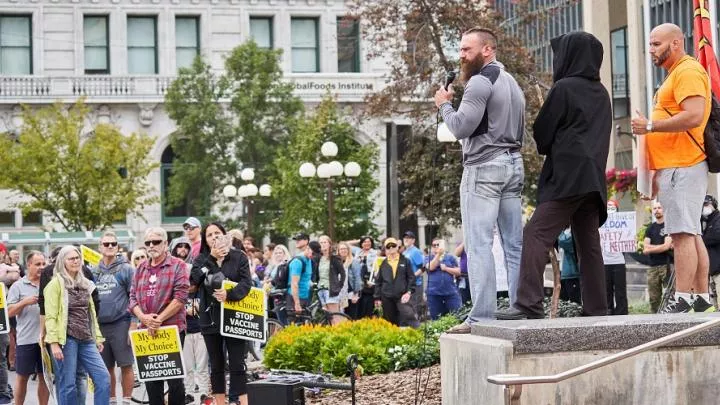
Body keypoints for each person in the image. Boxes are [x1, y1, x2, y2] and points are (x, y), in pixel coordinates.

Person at [496, 31, 611, 320]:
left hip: (567, 177)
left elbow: (543, 132)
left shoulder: (564, 88)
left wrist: (550, 140)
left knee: (535, 234)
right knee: (588, 243)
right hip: (593, 179)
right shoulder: (602, 93)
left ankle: (528, 304)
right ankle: (597, 309)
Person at [434, 27, 525, 332]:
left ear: (487, 50)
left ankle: (481, 317)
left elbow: (460, 127)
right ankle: (519, 307)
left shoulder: (478, 82)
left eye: (466, 50)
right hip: (514, 163)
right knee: (514, 244)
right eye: (460, 50)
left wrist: (444, 104)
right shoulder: (512, 82)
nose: (461, 56)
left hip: (485, 166)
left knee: (478, 243)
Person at [631, 23, 712, 313]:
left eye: (655, 44)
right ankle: (701, 298)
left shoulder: (687, 71)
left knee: (680, 236)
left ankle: (682, 299)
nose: (650, 50)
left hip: (683, 164)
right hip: (677, 165)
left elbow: (693, 115)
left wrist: (650, 125)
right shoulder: (677, 73)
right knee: (690, 234)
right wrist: (654, 172)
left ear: (675, 43)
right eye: (650, 44)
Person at [190, 223, 252, 405]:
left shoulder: (238, 257)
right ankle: (220, 402)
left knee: (237, 364)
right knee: (216, 365)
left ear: (225, 236)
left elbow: (246, 283)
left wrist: (230, 294)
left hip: (234, 317)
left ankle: (242, 401)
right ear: (205, 239)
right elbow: (195, 279)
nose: (214, 237)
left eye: (217, 233)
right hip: (209, 318)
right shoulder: (201, 259)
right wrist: (211, 259)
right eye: (209, 235)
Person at [128, 228, 189, 405]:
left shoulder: (178, 265)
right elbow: (132, 298)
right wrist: (144, 318)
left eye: (156, 242)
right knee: (151, 381)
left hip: (172, 328)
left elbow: (181, 297)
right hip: (145, 331)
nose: (151, 246)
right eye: (148, 243)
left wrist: (159, 319)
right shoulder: (140, 268)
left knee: (174, 380)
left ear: (165, 243)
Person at [44, 246, 110, 405]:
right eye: (71, 258)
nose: (75, 261)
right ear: (62, 262)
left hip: (87, 340)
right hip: (66, 339)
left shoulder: (85, 283)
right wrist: (53, 343)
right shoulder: (55, 284)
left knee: (103, 378)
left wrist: (98, 337)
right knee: (68, 384)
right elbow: (51, 316)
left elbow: (91, 314)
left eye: (77, 258)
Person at [94, 232, 136, 404]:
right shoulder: (93, 271)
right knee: (106, 367)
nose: (110, 246)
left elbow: (134, 298)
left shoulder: (127, 269)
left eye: (113, 243)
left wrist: (133, 324)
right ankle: (111, 400)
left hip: (122, 323)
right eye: (106, 244)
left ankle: (126, 400)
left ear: (118, 247)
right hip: (100, 326)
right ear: (100, 247)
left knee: (125, 365)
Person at [7, 251, 49, 405]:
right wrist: (24, 302)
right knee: (22, 376)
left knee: (44, 376)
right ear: (29, 265)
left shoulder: (49, 284)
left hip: (46, 340)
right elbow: (9, 312)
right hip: (26, 339)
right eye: (38, 264)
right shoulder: (18, 286)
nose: (41, 267)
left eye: (43, 264)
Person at [171, 237, 209, 403]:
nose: (188, 282)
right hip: (183, 329)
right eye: (179, 247)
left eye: (185, 247)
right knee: (186, 365)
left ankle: (204, 392)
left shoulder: (197, 275)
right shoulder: (172, 276)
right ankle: (188, 393)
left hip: (200, 327)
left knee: (202, 364)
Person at [373, 238, 419, 327]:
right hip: (386, 297)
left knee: (408, 316)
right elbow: (378, 282)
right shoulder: (383, 263)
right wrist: (377, 298)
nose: (391, 248)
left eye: (393, 246)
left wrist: (409, 292)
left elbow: (411, 278)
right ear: (385, 249)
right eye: (388, 247)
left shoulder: (405, 261)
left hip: (402, 296)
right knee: (389, 321)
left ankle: (416, 336)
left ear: (397, 247)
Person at [643, 201, 674, 313]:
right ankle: (655, 318)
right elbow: (645, 248)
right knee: (654, 297)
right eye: (654, 208)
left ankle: (671, 317)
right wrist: (661, 247)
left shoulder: (669, 226)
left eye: (659, 208)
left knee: (670, 294)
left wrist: (652, 247)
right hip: (652, 267)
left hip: (667, 265)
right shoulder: (650, 228)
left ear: (664, 209)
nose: (656, 210)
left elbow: (666, 247)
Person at [425, 239, 462, 319]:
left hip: (450, 292)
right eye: (434, 245)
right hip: (434, 293)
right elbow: (430, 267)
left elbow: (459, 271)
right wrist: (438, 255)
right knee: (436, 318)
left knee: (457, 316)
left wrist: (446, 269)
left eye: (438, 245)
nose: (436, 247)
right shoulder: (428, 257)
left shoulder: (450, 257)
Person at [352, 236, 379, 319]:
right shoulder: (357, 251)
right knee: (359, 301)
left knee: (369, 302)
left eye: (369, 242)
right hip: (359, 277)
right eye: (364, 242)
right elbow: (345, 244)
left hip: (369, 279)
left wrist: (373, 280)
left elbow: (377, 268)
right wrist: (358, 240)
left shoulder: (375, 252)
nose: (367, 243)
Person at [287, 233, 313, 315]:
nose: (296, 241)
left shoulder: (308, 258)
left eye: (299, 239)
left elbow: (307, 278)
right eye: (296, 240)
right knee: (293, 325)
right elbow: (294, 283)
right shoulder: (297, 261)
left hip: (305, 296)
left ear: (306, 241)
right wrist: (297, 304)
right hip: (295, 298)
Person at [702, 195, 720, 308]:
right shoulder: (705, 221)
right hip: (711, 269)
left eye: (706, 204)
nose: (704, 208)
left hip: (718, 268)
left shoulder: (718, 218)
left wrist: (700, 240)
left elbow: (717, 235)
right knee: (714, 306)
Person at [401, 231, 426, 315]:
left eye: (408, 238)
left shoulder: (415, 251)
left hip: (415, 284)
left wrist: (412, 277)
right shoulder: (404, 252)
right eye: (405, 238)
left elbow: (423, 268)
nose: (406, 239)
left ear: (413, 240)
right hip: (406, 285)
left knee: (414, 308)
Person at [557, 228, 582, 305]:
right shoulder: (564, 232)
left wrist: (558, 231)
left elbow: (564, 241)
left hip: (571, 274)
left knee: (574, 303)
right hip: (561, 273)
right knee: (562, 303)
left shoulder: (573, 232)